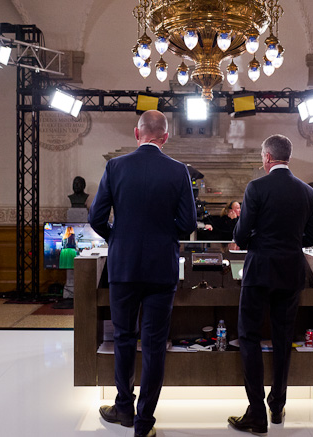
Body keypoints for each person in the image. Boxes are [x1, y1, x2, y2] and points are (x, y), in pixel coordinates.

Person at [89, 110, 197, 437]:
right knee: (153, 345)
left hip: (122, 267)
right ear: (165, 138)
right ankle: (143, 422)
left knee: (123, 338)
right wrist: (164, 236)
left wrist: (119, 238)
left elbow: (96, 218)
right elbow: (189, 224)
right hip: (161, 268)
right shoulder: (179, 171)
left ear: (136, 134)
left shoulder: (115, 167)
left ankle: (123, 407)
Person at [228, 134, 313, 435]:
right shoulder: (307, 191)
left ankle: (256, 413)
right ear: (287, 157)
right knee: (283, 338)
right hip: (292, 272)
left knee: (249, 336)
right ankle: (277, 404)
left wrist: (256, 239)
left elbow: (240, 237)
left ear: (267, 158)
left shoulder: (256, 187)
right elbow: (311, 237)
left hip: (259, 271)